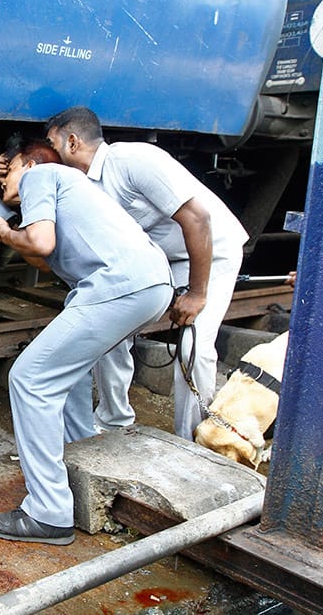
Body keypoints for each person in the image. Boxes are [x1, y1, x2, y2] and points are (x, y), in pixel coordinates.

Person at [0, 138, 172, 544]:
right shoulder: (69, 188)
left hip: (120, 286)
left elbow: (39, 243)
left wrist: (7, 232)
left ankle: (48, 513)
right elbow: (45, 255)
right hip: (147, 285)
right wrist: (8, 231)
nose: (1, 184)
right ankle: (81, 459)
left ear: (24, 163)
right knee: (70, 374)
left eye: (5, 172)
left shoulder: (40, 174)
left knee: (29, 380)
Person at [44, 107, 249, 441]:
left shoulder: (133, 160)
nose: (49, 155)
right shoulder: (85, 187)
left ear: (71, 142)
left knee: (192, 348)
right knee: (106, 327)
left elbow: (197, 219)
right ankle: (114, 420)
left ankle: (192, 439)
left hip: (212, 251)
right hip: (159, 261)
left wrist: (196, 294)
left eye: (52, 145)